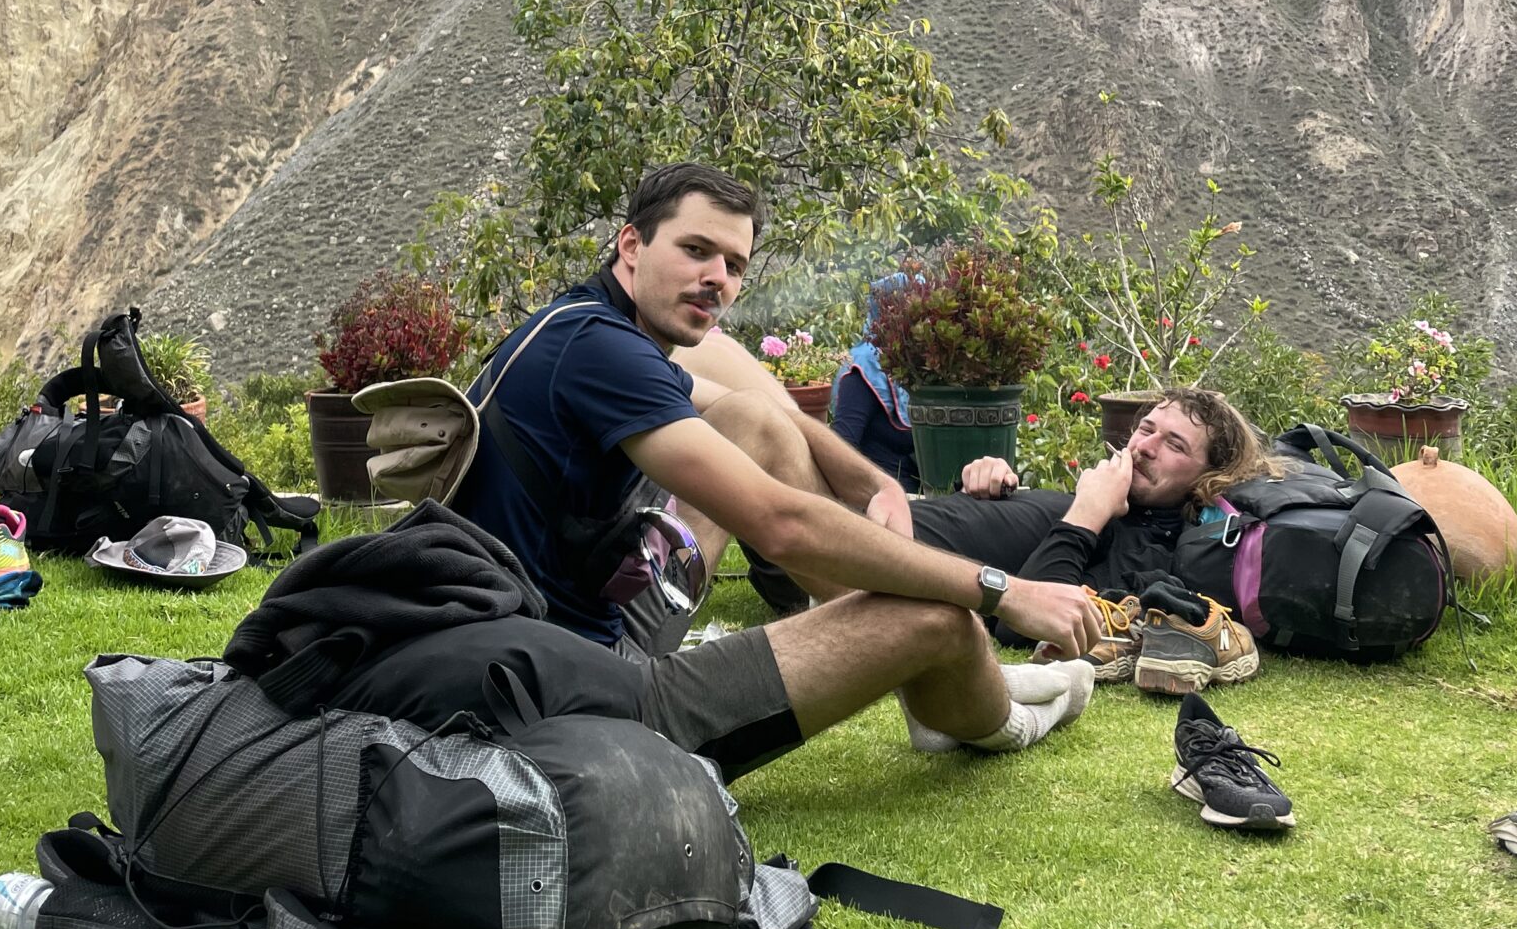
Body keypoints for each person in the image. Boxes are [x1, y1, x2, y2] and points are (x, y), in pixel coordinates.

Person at [439, 160, 1103, 778]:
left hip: (570, 631)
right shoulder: (599, 350)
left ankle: (934, 681)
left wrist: (875, 482)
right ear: (632, 245)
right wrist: (1003, 590)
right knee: (940, 620)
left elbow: (753, 412)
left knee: (753, 420)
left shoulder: (584, 325)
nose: (717, 279)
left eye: (733, 264)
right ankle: (998, 716)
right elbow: (783, 526)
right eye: (696, 250)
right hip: (571, 702)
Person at [904, 389, 1283, 696]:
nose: (1145, 447)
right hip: (896, 524)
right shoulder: (1108, 504)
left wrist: (1088, 512)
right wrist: (985, 482)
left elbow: (1025, 626)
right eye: (1146, 429)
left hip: (897, 563)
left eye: (1175, 445)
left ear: (1210, 478)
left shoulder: (1148, 550)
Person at [827, 276, 919, 493]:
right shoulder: (864, 368)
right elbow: (842, 445)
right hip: (886, 495)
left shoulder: (922, 365)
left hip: (930, 492)